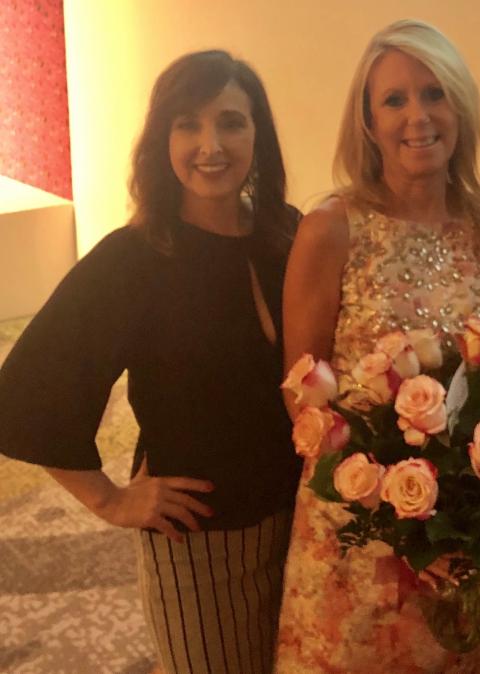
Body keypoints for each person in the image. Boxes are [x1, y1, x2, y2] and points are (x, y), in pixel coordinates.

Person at [0, 50, 302, 674]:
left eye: (231, 122)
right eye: (188, 124)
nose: (210, 145)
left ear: (258, 136)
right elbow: (30, 389)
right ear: (162, 140)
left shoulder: (286, 236)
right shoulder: (133, 259)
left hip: (303, 528)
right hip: (200, 544)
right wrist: (110, 501)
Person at [275, 19, 480, 673]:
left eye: (434, 93)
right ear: (368, 122)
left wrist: (467, 517)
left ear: (460, 106)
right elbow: (305, 402)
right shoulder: (331, 229)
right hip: (359, 532)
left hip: (471, 534)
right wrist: (400, 515)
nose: (418, 116)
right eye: (394, 100)